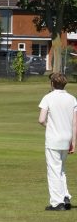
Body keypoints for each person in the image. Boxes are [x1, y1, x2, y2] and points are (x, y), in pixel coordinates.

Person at [38, 72, 77, 211]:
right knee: (61, 169)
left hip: (54, 139)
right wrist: (74, 142)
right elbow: (74, 123)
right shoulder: (72, 99)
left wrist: (50, 126)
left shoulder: (48, 97)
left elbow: (41, 119)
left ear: (52, 83)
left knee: (54, 169)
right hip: (67, 138)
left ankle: (57, 202)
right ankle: (65, 196)